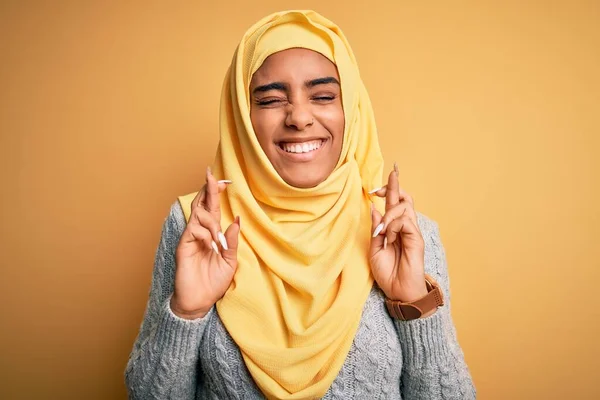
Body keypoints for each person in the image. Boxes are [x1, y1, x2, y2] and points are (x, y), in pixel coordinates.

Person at [125, 10, 475, 400]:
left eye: (323, 96)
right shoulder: (198, 228)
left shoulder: (404, 235)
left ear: (352, 110)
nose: (300, 118)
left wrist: (414, 303)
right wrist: (186, 314)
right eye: (272, 99)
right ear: (242, 115)